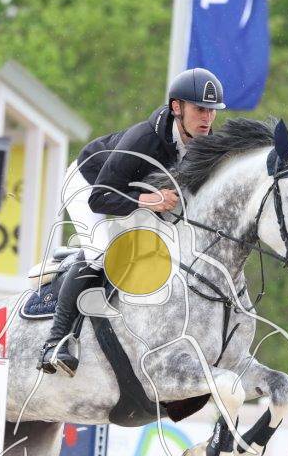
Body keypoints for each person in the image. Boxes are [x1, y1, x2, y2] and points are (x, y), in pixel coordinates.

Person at [37, 67, 225, 376]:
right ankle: (56, 342)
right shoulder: (144, 138)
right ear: (177, 107)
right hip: (89, 184)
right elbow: (100, 198)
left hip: (138, 195)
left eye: (212, 110)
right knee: (100, 252)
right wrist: (150, 200)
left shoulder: (206, 144)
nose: (207, 118)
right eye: (199, 109)